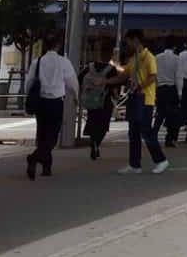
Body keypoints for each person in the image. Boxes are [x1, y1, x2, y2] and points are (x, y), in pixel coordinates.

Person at [23, 33, 79, 180]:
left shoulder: (38, 61)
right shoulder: (63, 62)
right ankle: (34, 158)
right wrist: (76, 96)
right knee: (52, 137)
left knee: (42, 134)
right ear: (58, 46)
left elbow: (29, 82)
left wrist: (27, 96)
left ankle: (47, 167)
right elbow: (72, 81)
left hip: (40, 103)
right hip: (56, 102)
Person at [116, 30, 168, 176]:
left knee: (146, 131)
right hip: (134, 98)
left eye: (128, 41)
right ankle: (134, 165)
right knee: (133, 132)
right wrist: (114, 64)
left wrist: (139, 86)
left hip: (146, 99)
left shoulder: (149, 57)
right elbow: (123, 73)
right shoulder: (133, 59)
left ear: (136, 40)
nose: (127, 44)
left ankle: (161, 160)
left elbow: (152, 76)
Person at [79, 55, 118, 160]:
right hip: (105, 101)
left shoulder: (90, 66)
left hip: (91, 100)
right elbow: (114, 86)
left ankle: (93, 141)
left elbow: (79, 78)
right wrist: (116, 97)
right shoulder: (111, 69)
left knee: (92, 121)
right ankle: (97, 143)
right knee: (103, 125)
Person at [154, 39, 182, 147]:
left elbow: (154, 74)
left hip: (160, 89)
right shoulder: (176, 59)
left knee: (160, 113)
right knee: (172, 115)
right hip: (171, 89)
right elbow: (178, 76)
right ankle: (169, 139)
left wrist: (156, 88)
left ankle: (153, 135)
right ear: (174, 47)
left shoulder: (157, 58)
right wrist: (179, 93)